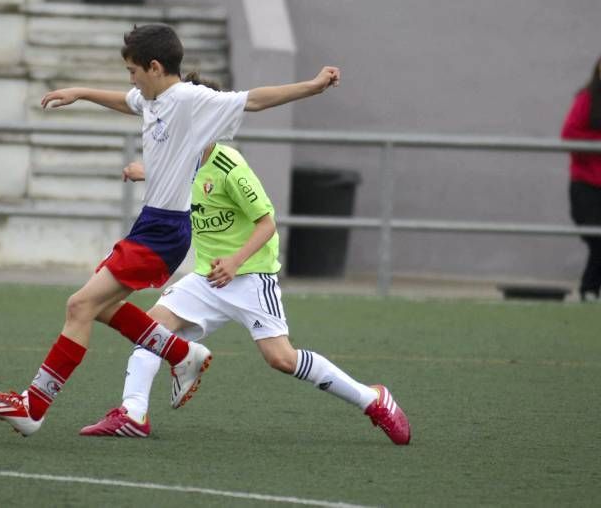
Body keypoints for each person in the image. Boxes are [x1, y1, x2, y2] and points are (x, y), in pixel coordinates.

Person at [0, 23, 342, 437]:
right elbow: (125, 101)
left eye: (133, 71)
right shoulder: (150, 98)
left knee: (80, 305)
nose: (130, 80)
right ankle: (180, 353)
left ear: (154, 67)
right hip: (151, 223)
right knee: (103, 308)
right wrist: (79, 91)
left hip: (166, 229)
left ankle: (33, 406)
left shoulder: (190, 99)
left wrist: (313, 86)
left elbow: (255, 100)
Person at [79, 88, 411, 445]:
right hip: (207, 278)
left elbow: (267, 222)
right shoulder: (177, 159)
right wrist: (142, 167)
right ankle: (132, 413)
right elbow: (166, 160)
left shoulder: (230, 166)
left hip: (249, 277)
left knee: (281, 358)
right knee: (148, 329)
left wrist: (236, 262)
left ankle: (372, 399)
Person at [563, 55, 601, 302]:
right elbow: (569, 134)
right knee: (598, 239)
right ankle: (589, 289)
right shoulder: (587, 99)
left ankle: (590, 291)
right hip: (586, 185)